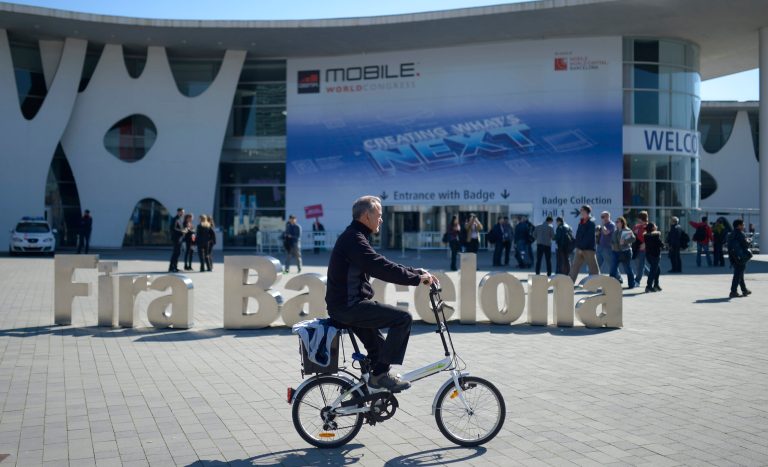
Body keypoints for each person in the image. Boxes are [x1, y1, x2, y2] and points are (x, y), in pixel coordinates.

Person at [326, 195, 436, 392]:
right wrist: (416, 280)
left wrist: (416, 272)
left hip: (346, 306)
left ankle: (367, 394)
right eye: (379, 215)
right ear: (366, 216)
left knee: (379, 351)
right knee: (403, 318)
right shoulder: (354, 239)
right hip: (349, 307)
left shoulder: (355, 236)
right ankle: (378, 378)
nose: (381, 219)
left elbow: (381, 262)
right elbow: (380, 267)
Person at [569, 205, 600, 282]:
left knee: (593, 269)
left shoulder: (591, 223)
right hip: (579, 249)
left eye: (582, 210)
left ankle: (597, 284)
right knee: (574, 267)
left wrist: (581, 247)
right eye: (580, 210)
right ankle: (569, 284)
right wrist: (577, 246)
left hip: (588, 249)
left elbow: (589, 237)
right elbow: (578, 235)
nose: (581, 212)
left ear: (587, 211)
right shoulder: (581, 222)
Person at [727, 219, 752, 298]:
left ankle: (744, 290)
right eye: (743, 225)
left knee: (739, 274)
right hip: (740, 257)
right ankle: (733, 291)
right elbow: (745, 245)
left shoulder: (731, 234)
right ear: (739, 226)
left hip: (733, 257)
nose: (743, 226)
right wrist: (749, 241)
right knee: (738, 274)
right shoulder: (740, 234)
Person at [610, 216, 635, 288]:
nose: (616, 223)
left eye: (617, 222)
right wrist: (612, 245)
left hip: (625, 252)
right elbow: (612, 241)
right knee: (613, 270)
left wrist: (625, 241)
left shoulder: (626, 230)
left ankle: (631, 284)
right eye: (616, 222)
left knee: (627, 269)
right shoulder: (615, 231)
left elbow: (633, 239)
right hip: (615, 252)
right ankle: (610, 285)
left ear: (622, 222)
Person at [644, 222, 663, 293]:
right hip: (655, 255)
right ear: (653, 228)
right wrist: (664, 245)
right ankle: (649, 286)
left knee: (657, 270)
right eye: (655, 226)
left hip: (648, 255)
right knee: (653, 271)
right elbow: (660, 244)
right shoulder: (656, 235)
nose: (656, 226)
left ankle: (656, 285)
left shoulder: (646, 236)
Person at [632, 211, 649, 284]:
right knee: (640, 265)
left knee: (640, 265)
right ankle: (652, 275)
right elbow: (632, 236)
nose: (638, 219)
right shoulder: (636, 226)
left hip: (643, 248)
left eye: (639, 218)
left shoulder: (648, 226)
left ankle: (637, 280)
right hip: (636, 248)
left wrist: (645, 244)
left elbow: (650, 237)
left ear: (641, 218)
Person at [596, 211, 616, 276]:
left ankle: (618, 277)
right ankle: (594, 276)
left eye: (603, 216)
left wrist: (602, 225)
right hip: (600, 247)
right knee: (597, 263)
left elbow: (606, 232)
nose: (602, 218)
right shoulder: (603, 225)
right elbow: (598, 235)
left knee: (611, 263)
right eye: (601, 217)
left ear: (607, 216)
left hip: (607, 247)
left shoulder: (611, 225)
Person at [168, 208, 185, 273]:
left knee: (178, 253)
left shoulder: (180, 219)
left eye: (183, 212)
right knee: (175, 253)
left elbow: (179, 228)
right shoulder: (175, 219)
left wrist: (184, 230)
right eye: (182, 212)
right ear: (178, 212)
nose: (183, 213)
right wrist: (182, 231)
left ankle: (175, 267)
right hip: (176, 238)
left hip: (179, 238)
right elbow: (173, 228)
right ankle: (171, 268)